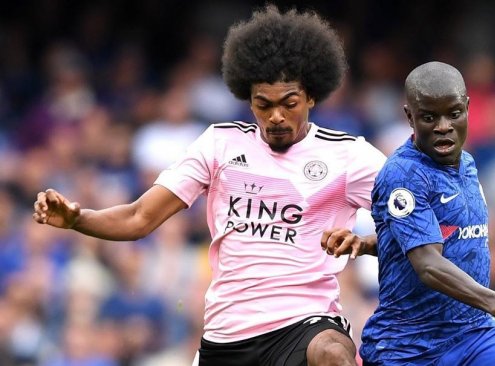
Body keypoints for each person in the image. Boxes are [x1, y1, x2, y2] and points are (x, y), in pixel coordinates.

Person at [32, 5, 387, 366]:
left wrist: (366, 243)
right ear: (249, 100)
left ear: (311, 96)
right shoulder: (219, 145)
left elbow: (422, 221)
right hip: (226, 337)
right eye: (263, 105)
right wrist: (79, 219)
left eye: (289, 103)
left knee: (331, 352)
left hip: (304, 325)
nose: (275, 116)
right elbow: (138, 217)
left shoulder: (348, 156)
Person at [322, 61, 495, 365]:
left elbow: (435, 236)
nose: (443, 126)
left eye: (454, 113)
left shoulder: (468, 165)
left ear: (468, 107)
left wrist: (371, 243)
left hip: (474, 331)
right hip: (410, 344)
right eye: (429, 117)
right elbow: (428, 263)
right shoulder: (403, 175)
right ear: (409, 116)